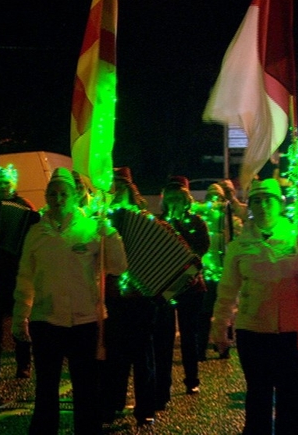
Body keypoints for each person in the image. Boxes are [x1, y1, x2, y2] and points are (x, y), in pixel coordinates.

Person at [212, 178, 298, 435]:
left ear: (279, 204)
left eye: (269, 200)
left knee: (292, 400)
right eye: (257, 201)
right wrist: (220, 327)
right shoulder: (238, 246)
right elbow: (227, 291)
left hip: (294, 330)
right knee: (258, 398)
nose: (263, 206)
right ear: (250, 205)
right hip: (253, 332)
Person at [13, 167, 127, 435]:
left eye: (64, 193)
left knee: (86, 388)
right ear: (46, 196)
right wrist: (20, 316)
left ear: (75, 196)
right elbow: (25, 278)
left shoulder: (91, 230)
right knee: (46, 388)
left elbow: (119, 267)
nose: (58, 199)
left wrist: (109, 234)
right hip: (46, 321)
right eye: (53, 193)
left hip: (84, 321)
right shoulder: (37, 234)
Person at [99, 166, 158, 426]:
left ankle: (145, 409)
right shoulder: (104, 220)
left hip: (141, 298)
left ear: (131, 191)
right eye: (115, 187)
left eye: (122, 187)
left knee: (143, 356)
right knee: (115, 355)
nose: (117, 191)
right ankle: (113, 404)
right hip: (114, 297)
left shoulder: (145, 219)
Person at [153, 176, 209, 408]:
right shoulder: (157, 222)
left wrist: (179, 226)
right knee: (163, 339)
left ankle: (191, 378)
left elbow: (200, 250)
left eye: (179, 197)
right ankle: (162, 388)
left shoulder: (196, 222)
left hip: (190, 285)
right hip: (165, 286)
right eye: (171, 197)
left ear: (186, 199)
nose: (175, 201)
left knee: (189, 334)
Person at [0, 164, 39, 380]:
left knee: (20, 318)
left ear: (13, 184)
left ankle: (24, 364)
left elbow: (33, 236)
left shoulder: (25, 206)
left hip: (17, 267)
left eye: (7, 183)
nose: (3, 187)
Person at [194, 182, 241, 360]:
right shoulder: (201, 219)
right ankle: (201, 349)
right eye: (210, 197)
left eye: (218, 197)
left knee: (225, 309)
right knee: (205, 311)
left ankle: (223, 347)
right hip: (207, 271)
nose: (214, 201)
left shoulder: (232, 220)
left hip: (223, 270)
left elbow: (236, 239)